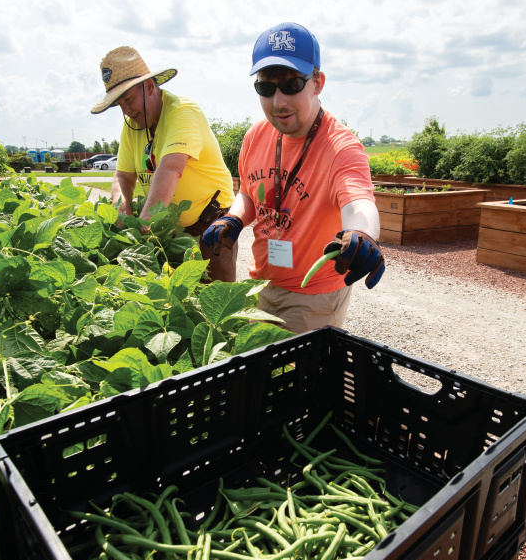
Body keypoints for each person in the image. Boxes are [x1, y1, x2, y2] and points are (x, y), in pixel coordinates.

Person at [202, 22, 384, 334]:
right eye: (266, 88)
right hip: (260, 283)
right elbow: (248, 192)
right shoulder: (255, 136)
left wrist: (363, 234)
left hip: (311, 295)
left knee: (295, 377)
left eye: (291, 85)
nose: (278, 101)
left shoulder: (341, 147)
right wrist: (233, 218)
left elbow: (359, 203)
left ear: (318, 83)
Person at [91, 46, 237, 282]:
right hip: (170, 229)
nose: (126, 110)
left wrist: (144, 225)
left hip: (210, 223)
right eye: (120, 104)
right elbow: (123, 177)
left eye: (129, 99)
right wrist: (121, 207)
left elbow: (171, 168)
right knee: (179, 302)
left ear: (149, 87)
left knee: (216, 298)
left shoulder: (182, 111)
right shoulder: (132, 127)